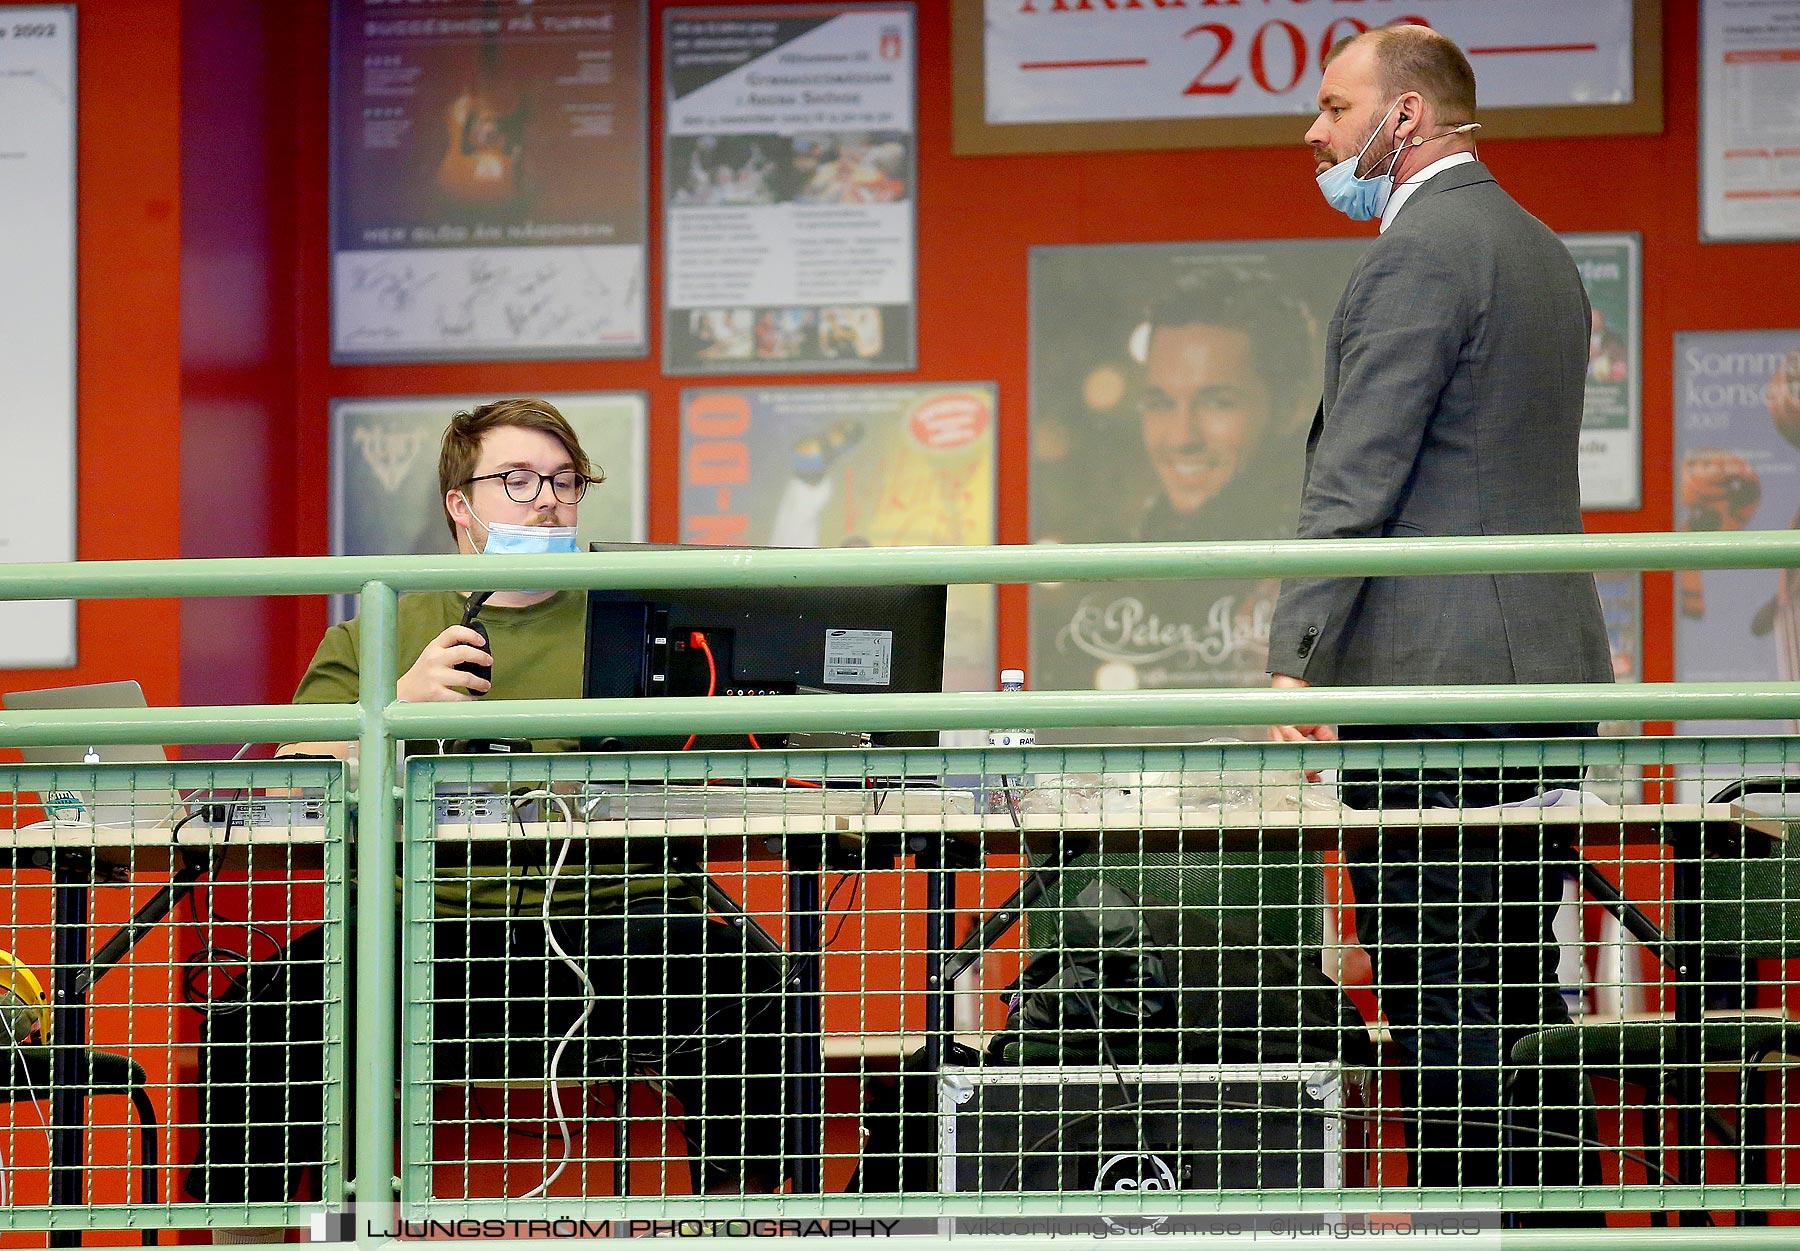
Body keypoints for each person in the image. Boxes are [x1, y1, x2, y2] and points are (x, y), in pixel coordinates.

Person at [186, 400, 788, 1232]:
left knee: (763, 983)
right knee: (257, 1018)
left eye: (564, 481)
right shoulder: (384, 624)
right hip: (419, 929)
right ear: (460, 507)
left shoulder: (648, 624)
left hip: (614, 919)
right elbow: (294, 782)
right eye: (517, 479)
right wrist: (392, 709)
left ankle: (739, 1229)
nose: (546, 498)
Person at [1264, 27, 1613, 1206]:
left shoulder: (1419, 255)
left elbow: (1357, 474)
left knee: (1441, 998)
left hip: (1437, 688)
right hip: (1541, 679)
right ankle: (1559, 1228)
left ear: (1403, 118)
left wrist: (1296, 659)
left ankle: (1482, 1231)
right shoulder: (1541, 248)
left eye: (1331, 107)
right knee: (1516, 987)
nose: (1313, 134)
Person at [1130, 276, 1314, 544]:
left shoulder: (1317, 561)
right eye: (1160, 404)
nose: (1181, 438)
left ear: (1288, 408)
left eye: (1218, 403)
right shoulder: (1145, 546)